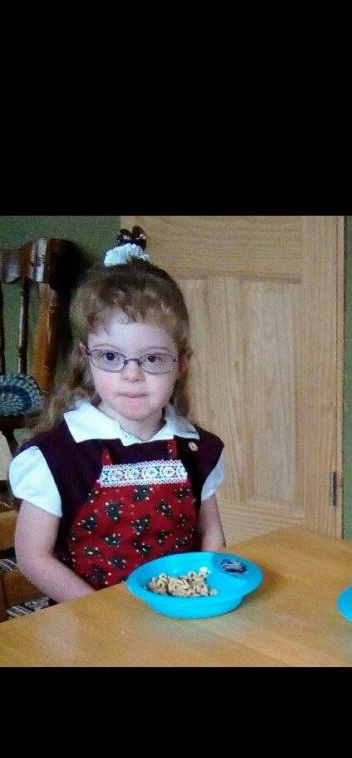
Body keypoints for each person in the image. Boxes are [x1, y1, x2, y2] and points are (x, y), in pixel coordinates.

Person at [8, 236, 226, 604]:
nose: (132, 375)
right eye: (111, 357)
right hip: (89, 622)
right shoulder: (57, 457)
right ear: (87, 358)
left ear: (181, 364)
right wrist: (104, 613)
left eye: (152, 358)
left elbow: (212, 538)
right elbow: (33, 557)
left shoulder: (197, 450)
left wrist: (205, 597)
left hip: (178, 616)